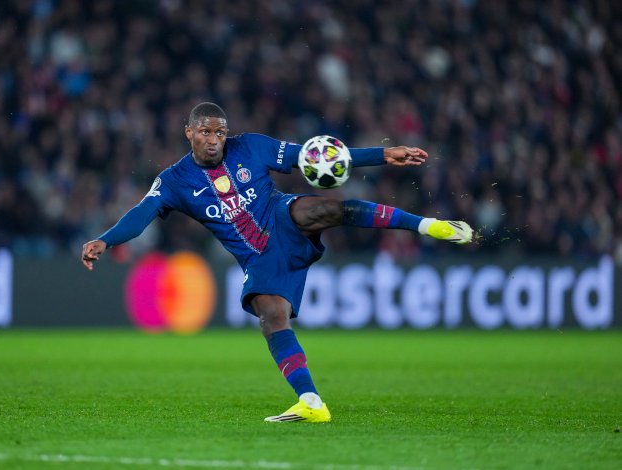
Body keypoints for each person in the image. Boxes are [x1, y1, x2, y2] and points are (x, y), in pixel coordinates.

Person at [81, 102, 473, 423]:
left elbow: (312, 157)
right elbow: (140, 214)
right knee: (272, 317)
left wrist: (383, 155)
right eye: (205, 131)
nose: (214, 139)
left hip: (282, 217)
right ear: (189, 133)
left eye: (219, 131)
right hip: (258, 256)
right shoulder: (173, 180)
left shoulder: (251, 145)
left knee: (325, 209)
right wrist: (104, 239)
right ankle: (310, 402)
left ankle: (429, 225)